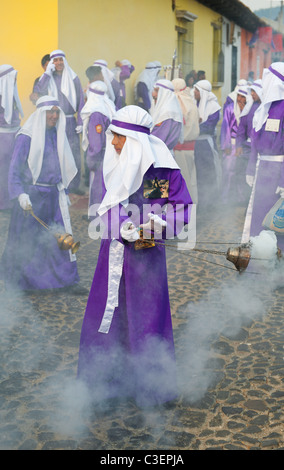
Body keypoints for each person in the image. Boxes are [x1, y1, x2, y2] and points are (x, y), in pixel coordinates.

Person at [77, 105, 193, 407]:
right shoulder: (113, 161)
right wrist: (122, 226)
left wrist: (160, 225)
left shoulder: (163, 168)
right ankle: (106, 384)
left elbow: (182, 207)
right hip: (114, 253)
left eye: (118, 137)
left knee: (147, 317)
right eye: (113, 135)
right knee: (109, 316)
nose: (113, 143)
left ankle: (151, 387)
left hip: (148, 258)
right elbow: (105, 202)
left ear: (135, 140)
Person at [0, 95, 85, 293]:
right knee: (29, 242)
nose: (54, 116)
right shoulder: (25, 137)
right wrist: (20, 194)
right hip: (32, 195)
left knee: (59, 238)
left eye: (57, 112)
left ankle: (65, 281)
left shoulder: (56, 133)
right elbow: (15, 169)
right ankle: (28, 283)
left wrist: (63, 188)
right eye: (50, 112)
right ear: (40, 114)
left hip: (53, 195)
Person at [242, 62, 284, 253]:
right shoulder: (263, 108)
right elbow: (254, 143)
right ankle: (259, 260)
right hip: (262, 172)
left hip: (277, 172)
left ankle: (276, 266)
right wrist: (251, 168)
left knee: (276, 220)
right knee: (259, 218)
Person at [33, 49, 85, 193]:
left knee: (73, 152)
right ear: (51, 63)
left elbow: (81, 100)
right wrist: (47, 74)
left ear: (64, 61)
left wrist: (80, 121)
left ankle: (74, 185)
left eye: (60, 60)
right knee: (55, 151)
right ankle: (58, 183)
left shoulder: (73, 78)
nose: (58, 63)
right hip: (53, 121)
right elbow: (39, 91)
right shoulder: (47, 77)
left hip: (69, 121)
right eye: (55, 60)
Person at [80, 80, 115, 210]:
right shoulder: (107, 107)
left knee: (98, 187)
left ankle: (96, 216)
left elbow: (96, 143)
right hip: (109, 153)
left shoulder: (96, 114)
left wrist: (92, 162)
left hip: (100, 157)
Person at [193, 79, 221, 210]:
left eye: (197, 90)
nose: (194, 92)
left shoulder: (214, 107)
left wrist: (194, 127)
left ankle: (210, 202)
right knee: (197, 173)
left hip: (206, 144)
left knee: (208, 173)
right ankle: (200, 201)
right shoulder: (194, 103)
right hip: (195, 144)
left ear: (203, 92)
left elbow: (209, 127)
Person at [0, 64, 24, 210]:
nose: (16, 79)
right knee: (3, 170)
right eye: (13, 77)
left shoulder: (11, 94)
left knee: (13, 169)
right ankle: (3, 202)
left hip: (13, 135)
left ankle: (12, 199)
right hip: (3, 137)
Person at [220, 85, 249, 204]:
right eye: (239, 96)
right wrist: (225, 145)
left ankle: (241, 198)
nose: (240, 99)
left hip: (244, 146)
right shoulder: (230, 109)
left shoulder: (249, 109)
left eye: (243, 96)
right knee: (228, 172)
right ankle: (225, 199)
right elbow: (225, 127)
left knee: (242, 173)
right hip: (231, 145)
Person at [235, 79, 262, 205]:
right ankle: (245, 202)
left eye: (254, 92)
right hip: (247, 149)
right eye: (251, 91)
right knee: (245, 177)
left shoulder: (265, 107)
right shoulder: (250, 107)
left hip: (261, 150)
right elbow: (241, 128)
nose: (251, 94)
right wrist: (239, 144)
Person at [172, 78, 200, 203]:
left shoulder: (173, 104)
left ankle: (185, 214)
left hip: (178, 150)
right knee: (189, 181)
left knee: (182, 182)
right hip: (189, 149)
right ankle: (190, 213)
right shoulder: (190, 103)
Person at [150, 79, 183, 152]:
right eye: (154, 90)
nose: (153, 94)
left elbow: (157, 138)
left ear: (164, 93)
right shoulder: (165, 110)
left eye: (157, 91)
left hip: (162, 154)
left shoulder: (168, 113)